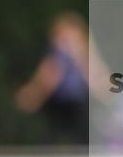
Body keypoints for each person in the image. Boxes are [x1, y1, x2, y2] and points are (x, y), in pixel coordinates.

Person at [16, 12, 105, 146]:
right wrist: (32, 95)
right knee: (54, 137)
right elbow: (46, 77)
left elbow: (95, 76)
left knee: (81, 136)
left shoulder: (83, 56)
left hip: (77, 103)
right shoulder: (57, 57)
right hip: (58, 103)